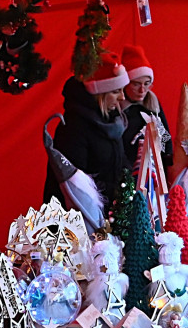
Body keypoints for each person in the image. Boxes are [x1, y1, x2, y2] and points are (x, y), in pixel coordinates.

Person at [43, 53, 129, 211]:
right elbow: (75, 183)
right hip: (78, 219)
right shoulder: (73, 128)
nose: (122, 97)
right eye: (116, 91)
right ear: (100, 93)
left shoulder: (112, 121)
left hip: (107, 212)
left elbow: (119, 162)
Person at [119, 44, 173, 172]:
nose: (142, 90)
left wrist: (169, 165)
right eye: (136, 84)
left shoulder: (152, 104)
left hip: (156, 171)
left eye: (147, 84)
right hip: (128, 172)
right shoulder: (117, 108)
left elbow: (165, 138)